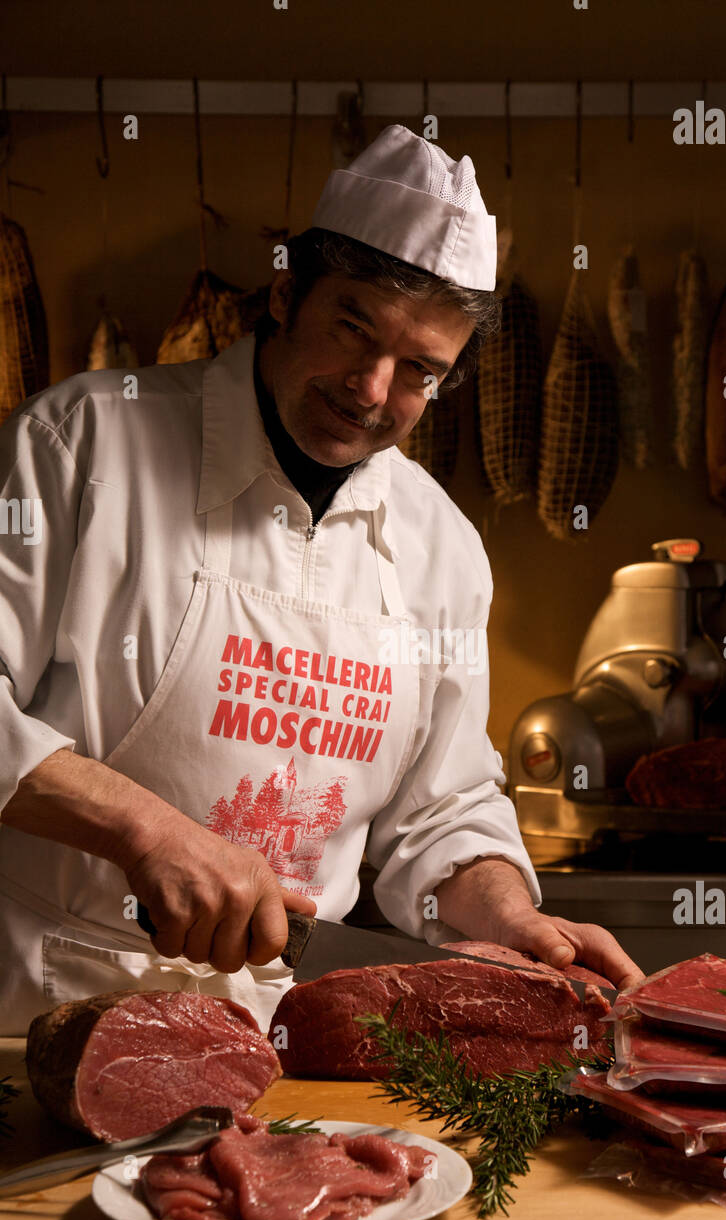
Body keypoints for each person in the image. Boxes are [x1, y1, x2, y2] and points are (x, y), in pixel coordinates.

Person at [0, 124, 642, 1033]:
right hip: (44, 1012)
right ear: (287, 291)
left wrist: (511, 918)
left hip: (285, 1040)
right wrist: (144, 830)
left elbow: (443, 805)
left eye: (421, 370)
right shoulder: (82, 443)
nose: (374, 389)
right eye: (355, 329)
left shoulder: (442, 547)